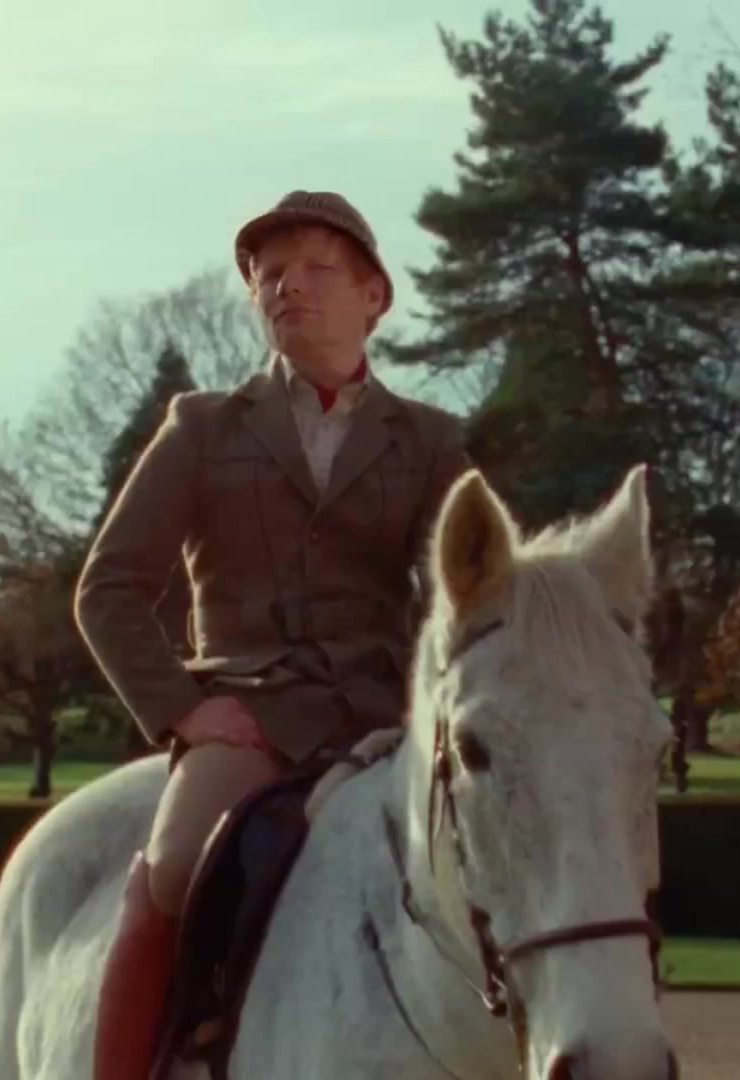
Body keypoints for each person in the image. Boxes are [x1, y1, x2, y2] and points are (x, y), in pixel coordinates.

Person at [76, 190, 472, 1079]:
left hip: (385, 717)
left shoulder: (433, 442)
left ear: (374, 295)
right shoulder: (201, 428)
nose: (288, 286)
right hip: (250, 715)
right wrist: (186, 709)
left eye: (316, 269)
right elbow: (108, 588)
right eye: (269, 274)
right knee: (174, 866)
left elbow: (462, 599)